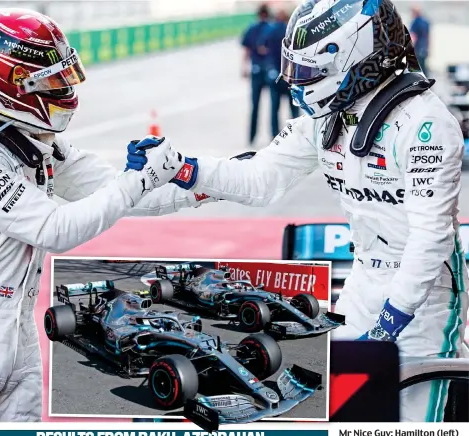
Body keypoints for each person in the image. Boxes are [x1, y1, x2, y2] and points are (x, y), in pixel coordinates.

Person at [128, 0, 468, 422]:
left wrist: (389, 324)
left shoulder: (426, 123)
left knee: (412, 422)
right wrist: (183, 167)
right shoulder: (324, 119)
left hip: (427, 294)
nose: (300, 84)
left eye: (310, 73)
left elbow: (430, 237)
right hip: (364, 279)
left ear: (358, 59)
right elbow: (259, 178)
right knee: (347, 415)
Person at [0, 8, 205, 423]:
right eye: (51, 81)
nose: (64, 89)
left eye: (64, 76)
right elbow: (56, 229)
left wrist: (198, 188)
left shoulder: (30, 140)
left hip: (18, 331)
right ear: (5, 83)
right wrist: (138, 181)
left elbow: (114, 192)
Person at [259, 9, 300, 137]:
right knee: (293, 107)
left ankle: (274, 135)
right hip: (290, 74)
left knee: (274, 107)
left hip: (274, 73)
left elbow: (261, 47)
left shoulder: (269, 30)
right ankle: (296, 134)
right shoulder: (292, 31)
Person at [240, 3, 272, 146]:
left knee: (255, 106)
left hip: (256, 70)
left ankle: (252, 137)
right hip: (271, 70)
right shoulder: (272, 28)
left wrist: (244, 67)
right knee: (274, 105)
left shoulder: (251, 28)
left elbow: (246, 50)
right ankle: (274, 136)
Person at [410, 5, 430, 76]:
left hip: (417, 48)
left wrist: (410, 48)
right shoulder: (426, 22)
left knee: (417, 68)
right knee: (423, 67)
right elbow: (428, 36)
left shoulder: (415, 22)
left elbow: (413, 36)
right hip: (424, 48)